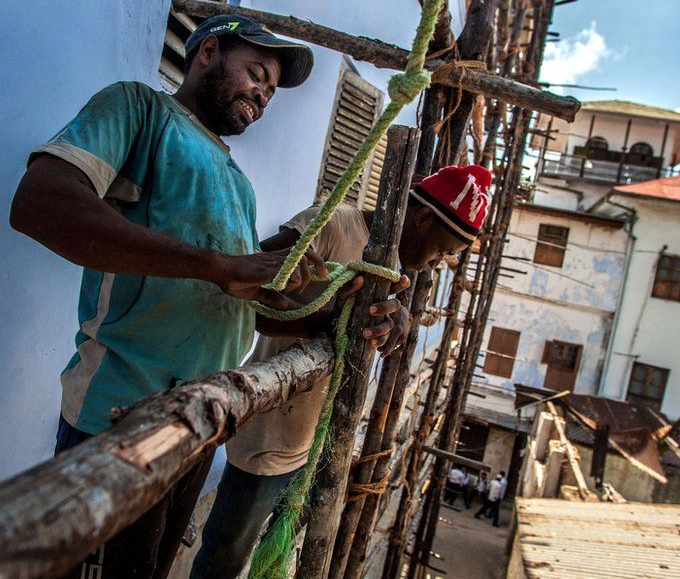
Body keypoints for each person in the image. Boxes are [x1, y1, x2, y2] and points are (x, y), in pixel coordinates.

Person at [9, 14, 323, 579]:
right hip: (123, 417)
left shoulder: (237, 181)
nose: (263, 94)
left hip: (203, 420)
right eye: (255, 73)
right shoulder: (139, 109)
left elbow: (231, 291)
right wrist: (218, 264)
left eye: (271, 90)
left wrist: (283, 293)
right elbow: (39, 204)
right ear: (206, 52)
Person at [190, 165, 494, 579]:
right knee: (224, 562)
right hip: (268, 439)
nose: (435, 265)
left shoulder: (393, 269)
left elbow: (365, 336)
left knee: (281, 558)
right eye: (442, 252)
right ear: (423, 218)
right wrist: (331, 323)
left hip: (322, 438)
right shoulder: (334, 225)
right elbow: (248, 292)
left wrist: (393, 328)